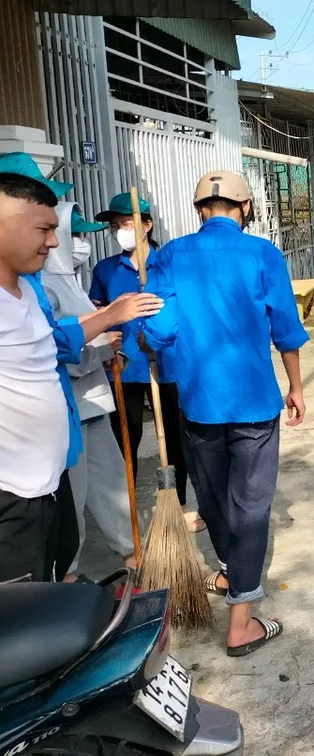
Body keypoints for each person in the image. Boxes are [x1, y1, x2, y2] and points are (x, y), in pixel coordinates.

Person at [142, 170, 308, 657]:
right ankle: (241, 623)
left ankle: (231, 572)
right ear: (247, 208)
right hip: (255, 403)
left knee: (214, 502)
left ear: (199, 211)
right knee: (252, 508)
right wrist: (296, 386)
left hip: (198, 403)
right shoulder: (263, 254)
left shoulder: (169, 256)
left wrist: (150, 343)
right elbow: (287, 328)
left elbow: (161, 329)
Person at [0, 155, 158, 583]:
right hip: (17, 486)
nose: (58, 241)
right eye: (46, 229)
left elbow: (52, 341)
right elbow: (61, 348)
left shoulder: (32, 288)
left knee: (98, 499)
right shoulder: (41, 283)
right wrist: (105, 328)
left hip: (67, 435)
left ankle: (123, 556)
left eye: (58, 230)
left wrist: (109, 334)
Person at [90, 193, 198, 532]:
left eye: (124, 224)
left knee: (176, 440)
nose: (119, 231)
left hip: (168, 366)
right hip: (124, 369)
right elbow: (98, 315)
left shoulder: (168, 266)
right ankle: (130, 515)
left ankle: (177, 504)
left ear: (146, 225)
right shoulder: (106, 270)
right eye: (114, 226)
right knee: (126, 442)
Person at [41, 203, 136, 577]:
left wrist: (112, 351)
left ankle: (133, 555)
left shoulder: (70, 278)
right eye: (75, 234)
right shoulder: (44, 285)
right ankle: (68, 573)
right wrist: (99, 344)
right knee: (74, 500)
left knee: (113, 486)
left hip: (94, 402)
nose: (81, 242)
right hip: (70, 408)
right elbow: (55, 349)